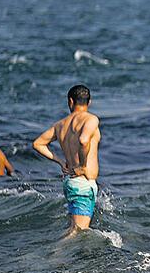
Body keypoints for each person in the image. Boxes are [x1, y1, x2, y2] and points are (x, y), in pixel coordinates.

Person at [33, 85, 101, 235]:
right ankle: (54, 257)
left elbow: (38, 143)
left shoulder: (60, 124)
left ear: (70, 101)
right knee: (77, 233)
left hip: (71, 182)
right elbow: (83, 140)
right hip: (82, 182)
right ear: (89, 102)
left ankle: (64, 257)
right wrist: (83, 166)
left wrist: (60, 161)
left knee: (73, 230)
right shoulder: (91, 119)